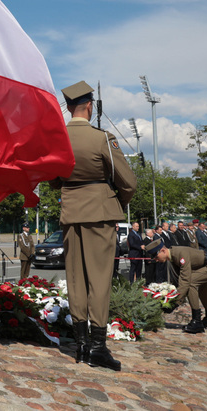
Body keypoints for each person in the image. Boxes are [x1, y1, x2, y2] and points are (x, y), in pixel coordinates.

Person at [51, 80, 136, 371]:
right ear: (90, 106)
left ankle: (81, 343)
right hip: (100, 213)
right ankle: (98, 347)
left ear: (70, 107)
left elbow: (53, 179)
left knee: (75, 278)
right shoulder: (102, 138)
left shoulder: (58, 137)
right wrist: (115, 202)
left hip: (70, 212)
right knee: (99, 280)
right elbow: (129, 182)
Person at [145, 238, 207, 333]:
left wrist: (175, 303)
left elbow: (185, 280)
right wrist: (171, 299)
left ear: (163, 250)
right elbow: (178, 281)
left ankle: (197, 322)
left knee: (191, 283)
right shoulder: (173, 257)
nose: (156, 259)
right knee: (204, 292)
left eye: (156, 256)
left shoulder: (179, 254)